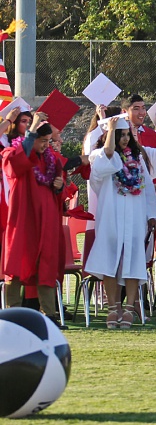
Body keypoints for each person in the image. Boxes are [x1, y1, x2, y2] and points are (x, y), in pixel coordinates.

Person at [86, 115, 156, 327]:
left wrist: (152, 215)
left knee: (133, 260)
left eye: (128, 134)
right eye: (121, 134)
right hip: (111, 216)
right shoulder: (100, 156)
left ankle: (129, 307)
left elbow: (145, 188)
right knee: (110, 260)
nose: (126, 139)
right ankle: (112, 308)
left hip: (135, 216)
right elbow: (108, 155)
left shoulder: (136, 159)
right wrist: (110, 127)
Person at [2, 112, 67, 324]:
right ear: (32, 138)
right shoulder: (13, 152)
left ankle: (49, 314)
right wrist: (33, 130)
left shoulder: (52, 160)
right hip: (24, 220)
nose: (45, 145)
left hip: (46, 221)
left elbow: (61, 187)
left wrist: (59, 187)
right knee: (18, 262)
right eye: (42, 141)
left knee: (46, 264)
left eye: (48, 141)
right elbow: (16, 164)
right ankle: (12, 312)